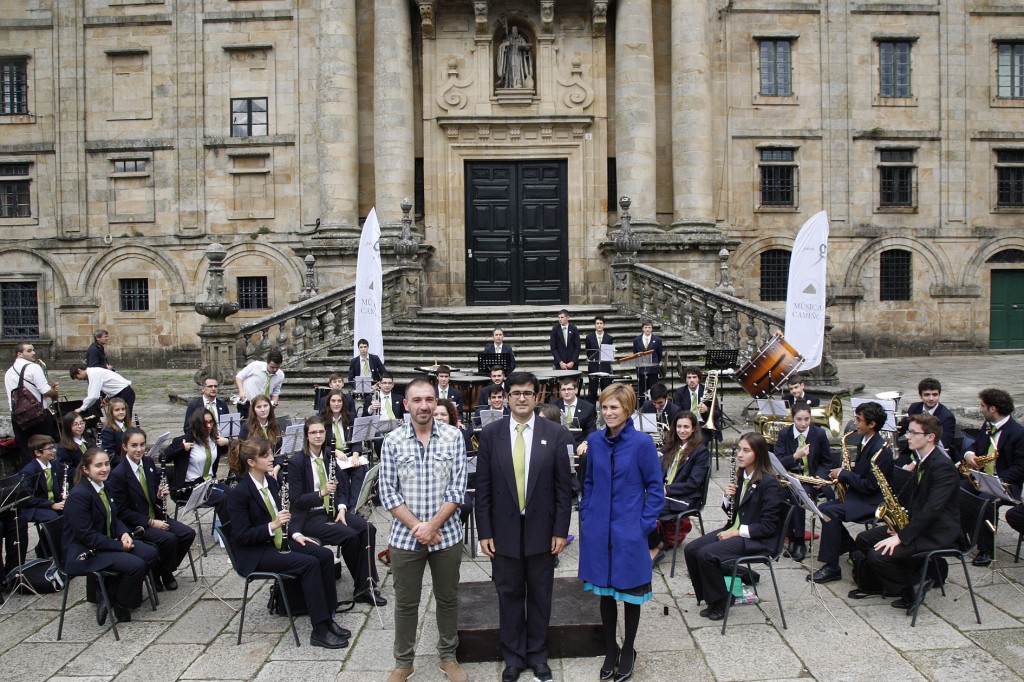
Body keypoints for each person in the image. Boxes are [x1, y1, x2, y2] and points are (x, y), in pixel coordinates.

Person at [476, 372, 573, 682]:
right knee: (509, 596)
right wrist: (484, 532)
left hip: (543, 533)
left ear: (536, 397)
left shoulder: (555, 433)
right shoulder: (491, 434)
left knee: (541, 596)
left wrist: (560, 529)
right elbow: (483, 489)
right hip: (503, 533)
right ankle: (514, 658)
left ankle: (538, 655)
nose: (521, 398)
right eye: (515, 392)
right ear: (506, 396)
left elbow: (563, 490)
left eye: (527, 393)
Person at [378, 378, 468, 682]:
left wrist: (433, 525)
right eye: (417, 400)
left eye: (429, 399)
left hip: (447, 535)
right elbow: (388, 493)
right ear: (406, 404)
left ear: (436, 401)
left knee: (448, 598)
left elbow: (458, 488)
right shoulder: (392, 441)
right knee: (405, 603)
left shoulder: (454, 437)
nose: (424, 406)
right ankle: (404, 662)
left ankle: (448, 656)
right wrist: (420, 527)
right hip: (406, 537)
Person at [224, 438, 351, 648]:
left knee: (325, 556)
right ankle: (319, 629)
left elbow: (284, 515)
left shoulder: (271, 481)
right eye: (265, 456)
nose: (271, 458)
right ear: (251, 462)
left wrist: (295, 535)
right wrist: (272, 526)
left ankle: (328, 616)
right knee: (309, 564)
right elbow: (241, 536)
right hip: (256, 552)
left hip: (279, 540)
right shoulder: (239, 493)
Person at [578, 383, 664, 682]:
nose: (608, 412)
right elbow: (588, 482)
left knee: (630, 593)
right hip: (599, 529)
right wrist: (587, 513)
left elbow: (655, 488)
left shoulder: (642, 443)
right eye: (604, 407)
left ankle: (628, 648)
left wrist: (643, 524)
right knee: (604, 593)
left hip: (629, 529)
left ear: (627, 409)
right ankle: (610, 648)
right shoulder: (594, 440)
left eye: (614, 407)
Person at [854, 414, 962, 610]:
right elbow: (915, 500)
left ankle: (912, 586)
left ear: (930, 437)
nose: (908, 436)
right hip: (919, 525)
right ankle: (913, 578)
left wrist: (901, 536)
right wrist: (896, 524)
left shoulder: (942, 467)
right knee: (864, 539)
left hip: (937, 532)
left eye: (913, 432)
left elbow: (933, 509)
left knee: (877, 556)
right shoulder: (922, 460)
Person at [683, 432, 787, 621]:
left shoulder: (769, 484)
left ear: (759, 454)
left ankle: (723, 599)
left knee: (707, 555)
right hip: (736, 530)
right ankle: (710, 597)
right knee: (691, 550)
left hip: (757, 538)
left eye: (746, 450)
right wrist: (727, 497)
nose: (740, 454)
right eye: (739, 449)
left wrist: (736, 532)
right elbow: (734, 513)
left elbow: (768, 527)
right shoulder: (742, 476)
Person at [287, 417, 385, 607]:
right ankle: (364, 585)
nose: (318, 436)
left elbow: (341, 488)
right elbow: (296, 501)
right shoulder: (297, 462)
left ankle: (365, 584)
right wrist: (321, 493)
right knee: (349, 535)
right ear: (306, 435)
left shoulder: (329, 456)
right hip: (309, 516)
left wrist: (341, 508)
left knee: (367, 528)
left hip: (332, 510)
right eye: (313, 432)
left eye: (321, 432)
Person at [62, 447, 159, 624]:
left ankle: (112, 596)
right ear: (85, 470)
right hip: (87, 551)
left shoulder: (103, 486)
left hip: (107, 541)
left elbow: (114, 517)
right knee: (136, 565)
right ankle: (121, 603)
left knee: (150, 554)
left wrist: (123, 533)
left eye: (107, 464)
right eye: (98, 465)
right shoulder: (79, 496)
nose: (105, 469)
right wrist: (119, 546)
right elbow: (86, 536)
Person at [808, 402, 894, 583]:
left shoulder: (880, 450)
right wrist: (843, 474)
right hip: (860, 496)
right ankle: (854, 548)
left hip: (872, 502)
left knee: (829, 511)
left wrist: (845, 474)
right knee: (824, 508)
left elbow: (870, 486)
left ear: (871, 425)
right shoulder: (866, 441)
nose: (854, 423)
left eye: (858, 420)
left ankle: (832, 567)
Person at [107, 428, 196, 592]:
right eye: (134, 445)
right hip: (138, 523)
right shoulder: (118, 474)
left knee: (187, 534)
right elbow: (121, 511)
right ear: (125, 447)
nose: (139, 449)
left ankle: (162, 569)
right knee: (169, 539)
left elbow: (153, 492)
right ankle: (164, 573)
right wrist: (150, 522)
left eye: (142, 445)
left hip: (156, 515)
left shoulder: (147, 463)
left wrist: (160, 493)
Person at [959, 388, 1024, 566]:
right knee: (959, 490)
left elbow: (1021, 467)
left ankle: (986, 549)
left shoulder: (1018, 433)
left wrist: (996, 480)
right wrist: (969, 455)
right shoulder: (987, 426)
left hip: (1008, 483)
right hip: (983, 478)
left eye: (982, 406)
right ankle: (964, 538)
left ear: (992, 409)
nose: (981, 409)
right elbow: (976, 447)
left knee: (987, 501)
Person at [775, 403, 833, 563]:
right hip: (790, 479)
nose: (803, 423)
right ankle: (790, 536)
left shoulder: (819, 434)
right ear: (792, 418)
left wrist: (820, 477)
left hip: (810, 480)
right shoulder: (784, 434)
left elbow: (826, 461)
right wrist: (795, 456)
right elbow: (778, 462)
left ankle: (799, 540)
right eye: (799, 419)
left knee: (798, 497)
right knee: (777, 495)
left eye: (807, 419)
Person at [651, 412, 710, 560]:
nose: (682, 430)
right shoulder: (671, 446)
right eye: (679, 426)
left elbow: (693, 483)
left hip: (683, 498)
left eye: (686, 427)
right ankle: (653, 543)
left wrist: (667, 489)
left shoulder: (700, 451)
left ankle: (656, 548)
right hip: (663, 495)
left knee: (645, 510)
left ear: (694, 429)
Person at [5, 343, 59, 462]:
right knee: (46, 450)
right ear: (19, 354)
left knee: (27, 452)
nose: (33, 353)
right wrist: (54, 393)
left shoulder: (8, 372)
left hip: (18, 417)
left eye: (33, 350)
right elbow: (45, 390)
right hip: (38, 415)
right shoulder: (34, 367)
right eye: (29, 351)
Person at [165, 409, 229, 505]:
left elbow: (238, 451)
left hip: (208, 483)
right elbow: (163, 458)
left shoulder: (214, 439)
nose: (209, 426)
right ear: (197, 424)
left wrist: (228, 442)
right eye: (205, 423)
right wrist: (181, 448)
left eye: (211, 422)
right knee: (222, 498)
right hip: (188, 489)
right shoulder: (185, 440)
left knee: (234, 494)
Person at [321, 389, 366, 509]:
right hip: (333, 455)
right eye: (333, 401)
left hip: (350, 454)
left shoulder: (350, 417)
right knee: (340, 472)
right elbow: (320, 444)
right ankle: (343, 504)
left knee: (360, 469)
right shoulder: (322, 419)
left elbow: (357, 439)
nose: (336, 404)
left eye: (339, 401)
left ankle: (354, 506)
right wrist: (335, 451)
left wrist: (356, 455)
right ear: (328, 403)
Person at [896, 378, 957, 457]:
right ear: (920, 396)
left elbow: (942, 444)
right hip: (912, 450)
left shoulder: (947, 417)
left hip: (933, 455)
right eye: (927, 394)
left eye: (935, 394)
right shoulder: (914, 407)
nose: (931, 398)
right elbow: (903, 427)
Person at [18, 434, 66, 524]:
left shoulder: (55, 466)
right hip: (35, 507)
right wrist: (51, 505)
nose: (54, 450)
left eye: (53, 447)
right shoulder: (28, 471)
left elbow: (60, 487)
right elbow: (28, 499)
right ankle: (48, 538)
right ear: (38, 453)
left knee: (74, 510)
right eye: (50, 448)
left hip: (54, 503)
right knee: (53, 518)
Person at [70, 363, 135, 421]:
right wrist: (108, 398)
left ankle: (125, 433)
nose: (78, 379)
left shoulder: (93, 373)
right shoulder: (94, 372)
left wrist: (81, 409)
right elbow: (110, 384)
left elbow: (93, 396)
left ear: (79, 370)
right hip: (120, 393)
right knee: (115, 419)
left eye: (77, 377)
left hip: (125, 393)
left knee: (123, 419)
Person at [549, 377, 597, 441]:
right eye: (563, 389)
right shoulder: (553, 405)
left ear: (576, 390)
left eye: (569, 389)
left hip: (579, 444)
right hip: (559, 442)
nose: (566, 392)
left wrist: (585, 443)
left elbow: (592, 430)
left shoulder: (588, 407)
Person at [584, 315, 615, 402]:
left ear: (604, 325)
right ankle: (592, 413)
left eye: (601, 323)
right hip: (593, 366)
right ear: (595, 325)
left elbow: (609, 353)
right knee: (592, 391)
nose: (599, 325)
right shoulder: (589, 337)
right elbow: (588, 353)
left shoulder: (609, 338)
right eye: (597, 323)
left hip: (605, 366)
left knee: (605, 391)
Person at [631, 319, 663, 399]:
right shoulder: (636, 340)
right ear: (642, 328)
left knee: (653, 389)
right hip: (641, 368)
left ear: (652, 328)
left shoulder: (658, 340)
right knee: (642, 390)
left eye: (649, 327)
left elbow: (659, 354)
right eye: (646, 327)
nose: (647, 329)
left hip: (653, 368)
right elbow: (635, 353)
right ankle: (642, 407)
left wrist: (654, 364)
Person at [496, 23, 533, 89]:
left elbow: (528, 46)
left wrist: (523, 46)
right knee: (510, 70)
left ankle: (519, 83)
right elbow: (501, 47)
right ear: (512, 31)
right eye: (513, 30)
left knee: (519, 70)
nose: (515, 31)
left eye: (516, 30)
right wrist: (505, 45)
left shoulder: (521, 39)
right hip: (510, 58)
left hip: (519, 58)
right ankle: (510, 84)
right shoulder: (508, 39)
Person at [99, 398, 129, 470]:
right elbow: (111, 454)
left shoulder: (127, 426)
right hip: (119, 466)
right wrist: (129, 461)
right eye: (117, 410)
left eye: (123, 409)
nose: (121, 412)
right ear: (111, 412)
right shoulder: (108, 431)